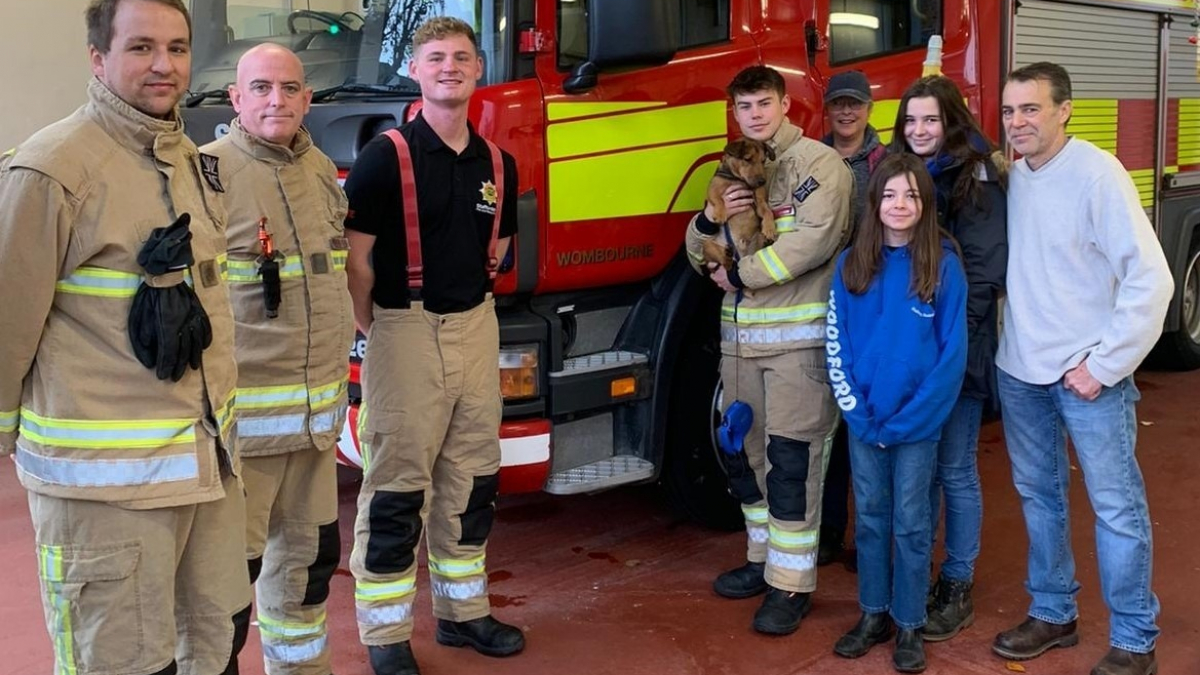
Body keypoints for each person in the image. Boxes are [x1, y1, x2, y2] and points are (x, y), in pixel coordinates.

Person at [0, 1, 250, 674]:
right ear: (97, 59)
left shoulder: (193, 162)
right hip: (105, 501)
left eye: (176, 47)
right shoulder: (51, 170)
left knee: (214, 645)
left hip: (206, 478)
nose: (163, 65)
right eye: (140, 47)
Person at [342, 16, 521, 675]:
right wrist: (383, 334)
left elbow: (496, 253)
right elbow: (356, 267)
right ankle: (385, 633)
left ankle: (462, 612)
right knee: (395, 488)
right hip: (402, 329)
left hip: (477, 327)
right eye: (437, 57)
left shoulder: (500, 165)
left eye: (462, 58)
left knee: (472, 478)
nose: (450, 66)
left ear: (479, 72)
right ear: (415, 70)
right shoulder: (382, 158)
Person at [993, 62, 1172, 675]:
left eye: (1031, 109)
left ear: (1064, 110)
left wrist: (1105, 365)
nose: (1018, 122)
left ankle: (1133, 640)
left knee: (1116, 508)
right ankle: (1052, 613)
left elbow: (1152, 279)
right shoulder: (1010, 177)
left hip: (1086, 378)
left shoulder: (1098, 175)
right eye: (1010, 110)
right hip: (1019, 371)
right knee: (1040, 497)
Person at [201, 44, 354, 675]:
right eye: (260, 88)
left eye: (290, 88)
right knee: (224, 591)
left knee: (308, 570)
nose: (277, 101)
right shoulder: (205, 174)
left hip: (316, 430)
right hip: (244, 440)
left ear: (308, 99)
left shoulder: (318, 168)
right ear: (235, 99)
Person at [685, 65, 852, 635]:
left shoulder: (819, 165)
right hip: (740, 347)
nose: (754, 115)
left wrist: (741, 275)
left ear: (785, 104)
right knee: (745, 455)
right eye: (744, 107)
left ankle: (791, 584)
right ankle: (762, 560)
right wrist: (710, 218)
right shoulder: (730, 165)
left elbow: (811, 242)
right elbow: (698, 249)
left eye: (763, 103)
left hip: (797, 346)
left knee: (793, 464)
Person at [827, 153, 967, 673]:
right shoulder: (852, 266)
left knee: (911, 524)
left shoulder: (943, 267)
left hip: (916, 428)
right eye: (889, 195)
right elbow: (835, 346)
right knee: (870, 521)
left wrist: (907, 423)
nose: (899, 204)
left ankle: (909, 621)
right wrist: (861, 417)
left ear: (925, 204)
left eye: (911, 195)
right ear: (875, 203)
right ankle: (873, 614)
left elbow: (950, 360)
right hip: (864, 422)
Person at [890, 75, 1007, 642]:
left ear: (952, 121)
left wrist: (948, 353)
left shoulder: (975, 177)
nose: (919, 131)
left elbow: (983, 274)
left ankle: (957, 583)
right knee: (920, 470)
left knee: (954, 468)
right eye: (910, 121)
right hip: (912, 351)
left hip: (957, 349)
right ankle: (917, 576)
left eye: (931, 120)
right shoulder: (905, 177)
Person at [818, 69, 887, 568]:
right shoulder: (811, 161)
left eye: (855, 104)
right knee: (826, 429)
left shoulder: (888, 165)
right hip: (820, 305)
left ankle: (869, 540)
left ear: (869, 108)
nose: (847, 112)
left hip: (871, 309)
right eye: (839, 104)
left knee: (866, 426)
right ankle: (825, 534)